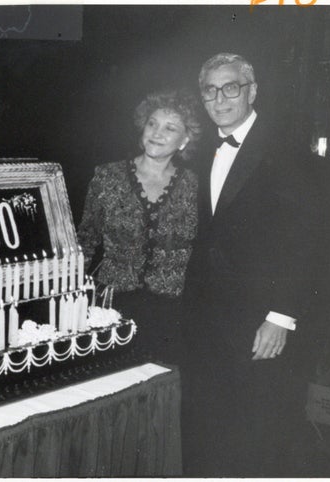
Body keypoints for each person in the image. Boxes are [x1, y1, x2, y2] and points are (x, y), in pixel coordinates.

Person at [182, 52, 317, 476]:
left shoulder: (286, 150)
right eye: (210, 90)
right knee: (209, 430)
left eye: (231, 87)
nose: (220, 98)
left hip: (260, 318)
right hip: (207, 320)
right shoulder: (201, 151)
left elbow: (307, 240)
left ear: (252, 91)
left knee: (259, 434)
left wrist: (281, 316)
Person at [77, 90, 201, 365]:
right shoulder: (107, 177)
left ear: (185, 140)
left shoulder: (197, 186)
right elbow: (85, 240)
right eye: (152, 123)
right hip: (112, 308)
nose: (157, 133)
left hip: (173, 314)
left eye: (170, 128)